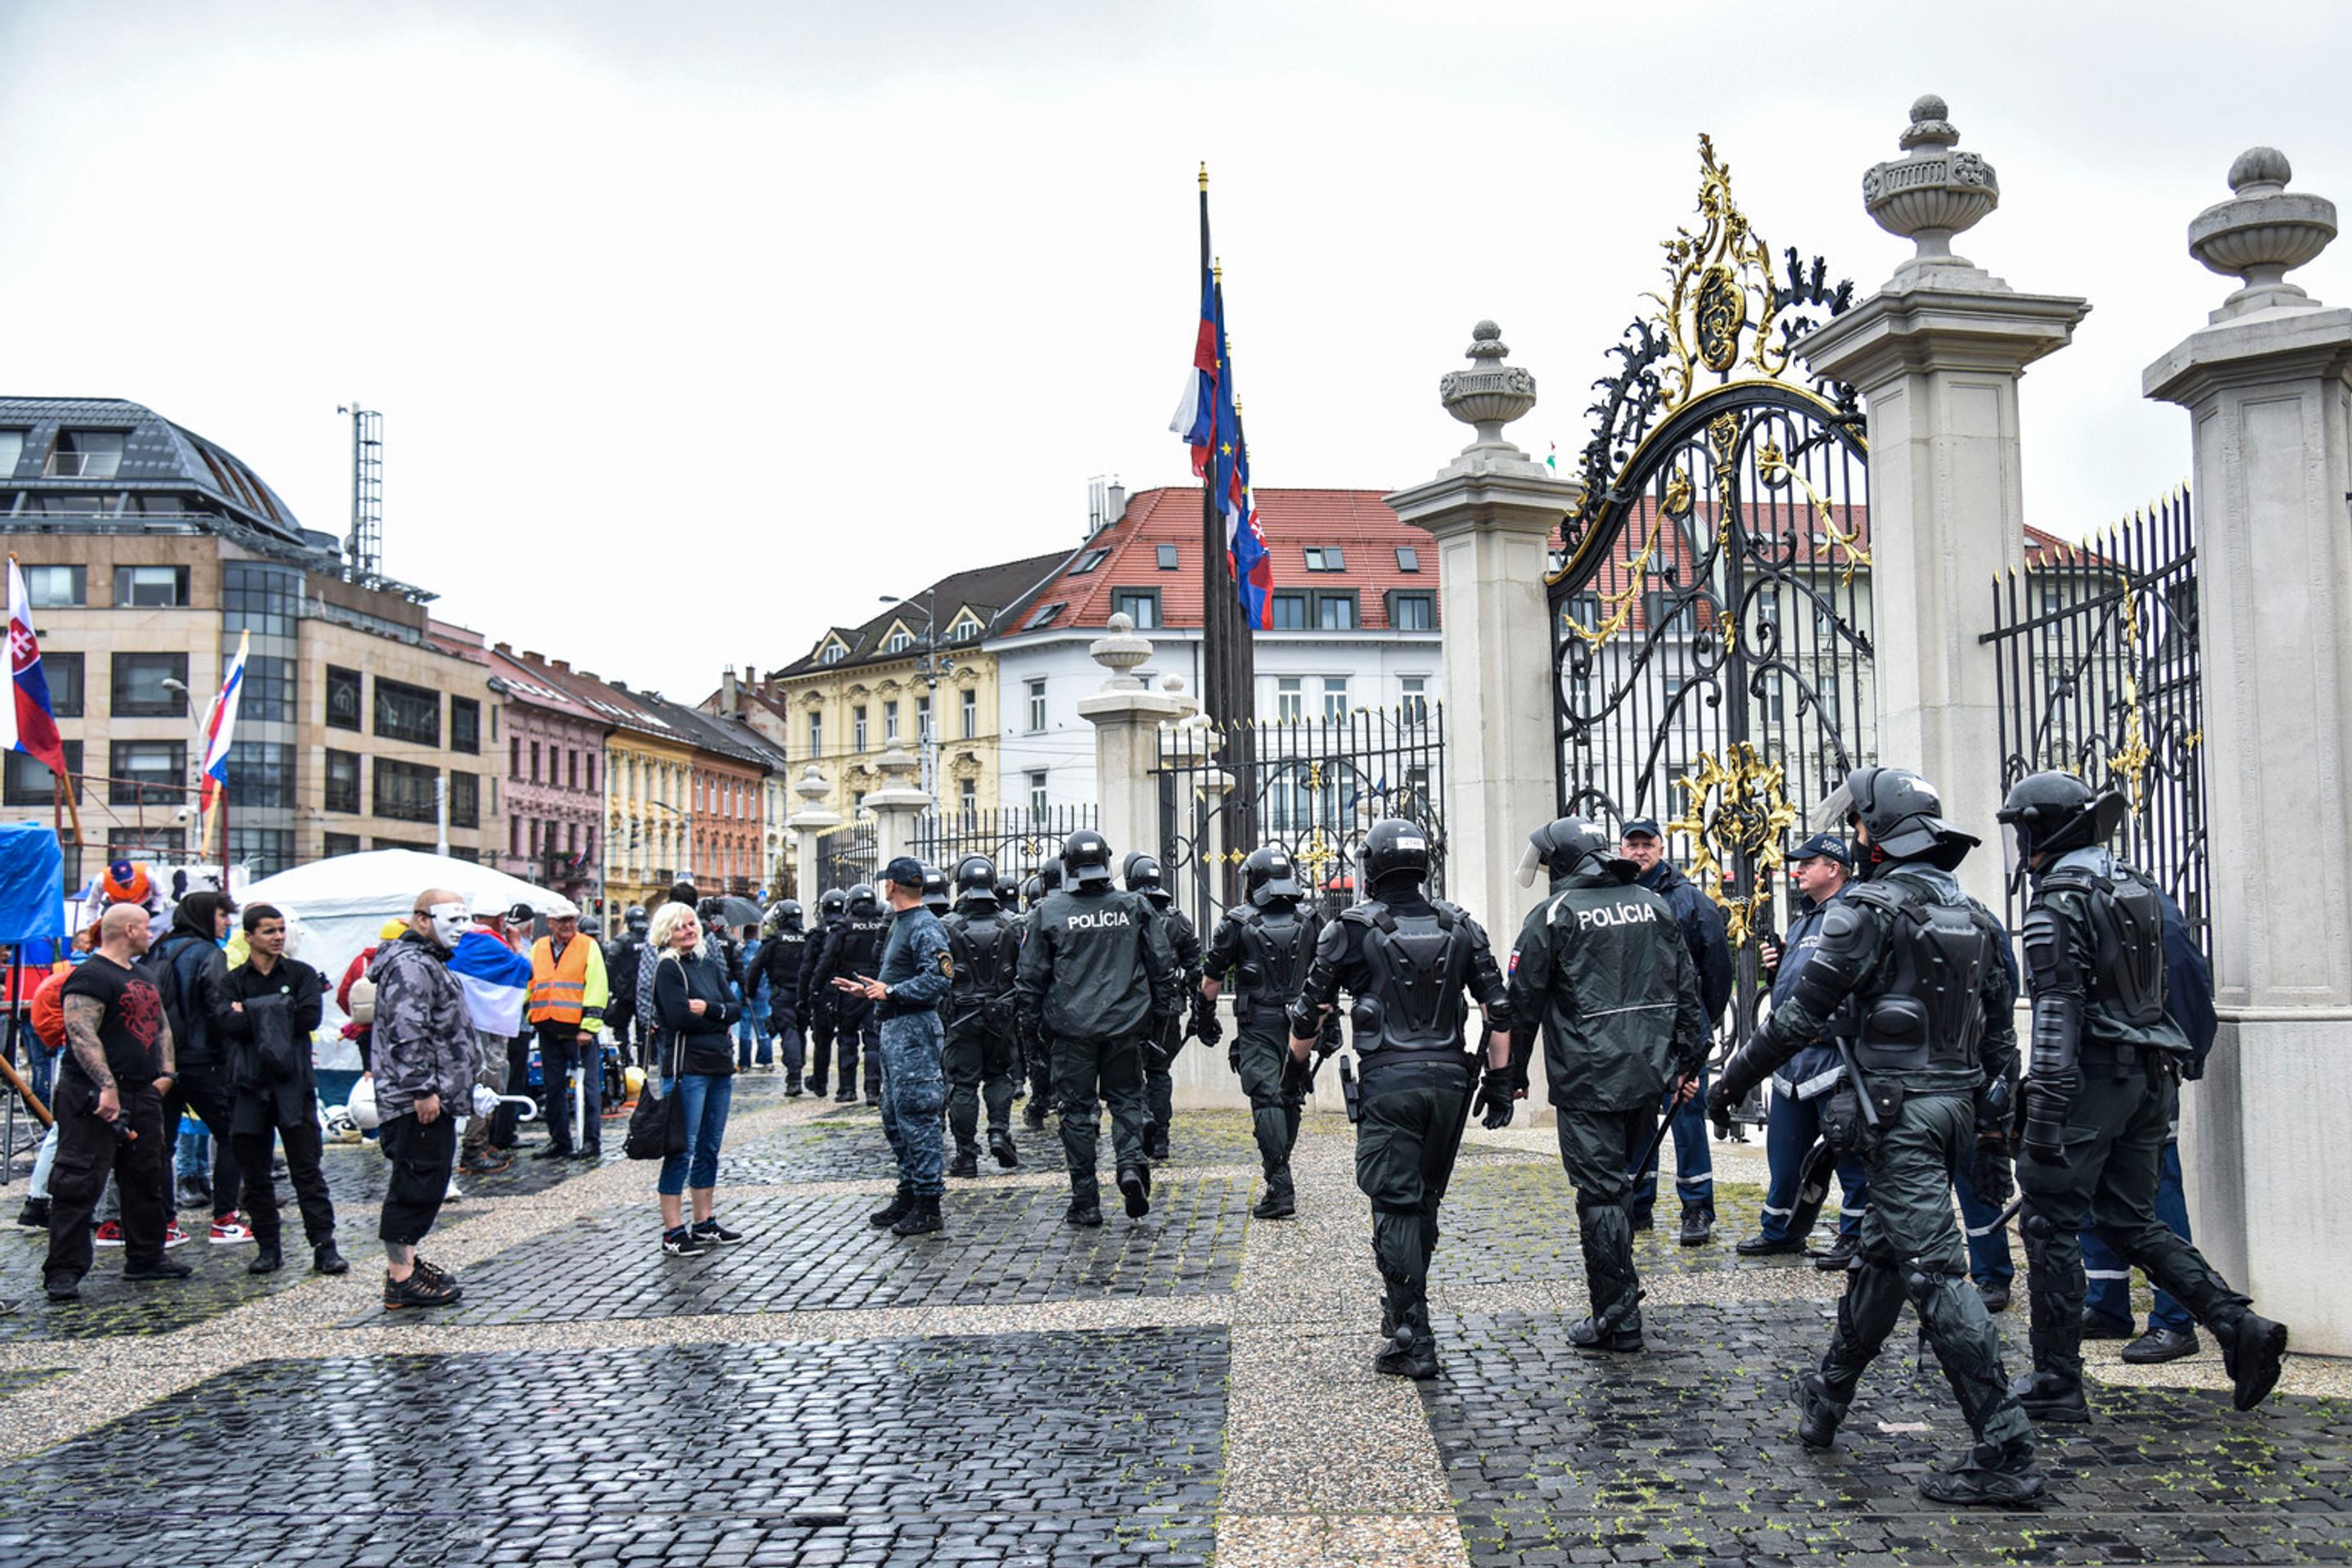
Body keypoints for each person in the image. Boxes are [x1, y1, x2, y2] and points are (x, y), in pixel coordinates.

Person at [1708, 766, 2040, 1505]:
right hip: (1947, 1111)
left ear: (1874, 833)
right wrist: (1992, 1135)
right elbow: (1999, 1047)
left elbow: (1796, 1017)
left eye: (1858, 824)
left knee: (1935, 1274)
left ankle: (2007, 1447)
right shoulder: (1978, 916)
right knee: (1884, 1259)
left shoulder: (1864, 912)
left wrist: (1733, 1079)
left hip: (1898, 1118)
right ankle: (1826, 1394)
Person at [1998, 771, 2287, 1420]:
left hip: (2093, 1079)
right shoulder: (2139, 887)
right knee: (2132, 1222)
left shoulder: (2059, 900)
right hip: (2150, 1078)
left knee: (2049, 1222)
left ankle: (2056, 1381)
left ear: (2044, 827)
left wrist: (2042, 1113)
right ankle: (2238, 1324)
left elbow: (2057, 1014)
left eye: (2024, 826)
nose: (2023, 840)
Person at [1291, 818, 1511, 1378]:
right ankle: (1402, 1310)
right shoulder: (1461, 924)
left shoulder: (1349, 928)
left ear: (1372, 868)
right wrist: (1502, 1081)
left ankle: (1413, 1333)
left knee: (1395, 1202)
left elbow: (1310, 1011)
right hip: (1451, 1082)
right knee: (1424, 1200)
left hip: (1390, 1082)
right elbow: (1498, 1011)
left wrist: (1295, 1069)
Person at [1503, 818, 1708, 1352]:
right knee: (1617, 1190)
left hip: (1588, 1079)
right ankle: (1619, 1304)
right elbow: (1688, 990)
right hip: (1647, 1074)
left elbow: (1520, 1006)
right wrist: (1690, 1062)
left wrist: (1511, 1076)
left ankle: (1618, 1319)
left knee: (1600, 1197)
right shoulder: (1652, 903)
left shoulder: (1553, 915)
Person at [1014, 831, 1174, 1227]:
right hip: (1125, 1025)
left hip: (1072, 1030)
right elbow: (1161, 965)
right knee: (1125, 1100)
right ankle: (1131, 1166)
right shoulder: (1134, 905)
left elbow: (1030, 977)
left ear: (1067, 865)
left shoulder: (1047, 912)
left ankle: (1086, 1201)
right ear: (1105, 861)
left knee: (1078, 1112)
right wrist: (1159, 1020)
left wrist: (1029, 1029)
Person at [2082, 891, 2216, 1363]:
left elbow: (2184, 975)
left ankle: (2175, 1319)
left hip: (2143, 1072)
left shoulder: (2142, 902)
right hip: (2091, 1073)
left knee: (2157, 1193)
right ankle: (2106, 1305)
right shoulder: (2075, 895)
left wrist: (2186, 1052)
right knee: (2090, 1190)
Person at [43, 903, 192, 1301]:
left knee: (147, 1175)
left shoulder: (142, 974)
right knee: (78, 1180)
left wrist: (165, 1075)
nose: (150, 934)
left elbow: (160, 1026)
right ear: (128, 930)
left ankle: (147, 1258)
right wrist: (106, 1086)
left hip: (141, 1091)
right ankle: (64, 1271)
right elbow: (82, 1035)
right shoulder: (90, 975)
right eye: (145, 928)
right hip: (91, 1093)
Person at [1740, 834, 1871, 1267]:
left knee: (1848, 1155)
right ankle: (1780, 1231)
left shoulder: (1855, 914)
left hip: (1836, 1060)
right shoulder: (1804, 921)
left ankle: (1854, 1239)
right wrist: (1777, 966)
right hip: (1792, 1060)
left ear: (1833, 868)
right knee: (1784, 1154)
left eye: (1807, 864)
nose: (1797, 870)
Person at [1619, 817, 1732, 1245]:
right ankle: (1639, 1203)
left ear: (1661, 849)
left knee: (1686, 1117)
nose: (1640, 852)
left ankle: (1697, 1208)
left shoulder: (1690, 901)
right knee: (1638, 1118)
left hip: (1682, 1030)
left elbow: (1717, 968)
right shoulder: (1616, 897)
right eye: (1633, 845)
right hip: (1635, 1032)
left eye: (1647, 845)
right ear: (1622, 850)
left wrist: (1703, 1021)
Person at [216, 903, 346, 1276]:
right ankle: (268, 1247)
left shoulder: (301, 974)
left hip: (293, 1084)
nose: (277, 937)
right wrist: (277, 1009)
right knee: (255, 1175)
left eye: (280, 930)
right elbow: (226, 1022)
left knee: (307, 1170)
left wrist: (252, 1012)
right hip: (248, 1086)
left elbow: (308, 1017)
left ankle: (325, 1246)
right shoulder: (233, 980)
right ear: (249, 936)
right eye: (269, 931)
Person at [369, 889, 477, 1309]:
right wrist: (423, 1089)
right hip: (414, 1100)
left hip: (432, 1094)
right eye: (453, 919)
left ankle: (407, 1264)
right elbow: (406, 1030)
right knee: (415, 1182)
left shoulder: (427, 963)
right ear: (422, 920)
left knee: (426, 1181)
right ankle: (401, 1276)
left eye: (465, 918)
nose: (462, 929)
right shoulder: (412, 966)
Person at [1201, 847, 1316, 1219]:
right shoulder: (1311, 919)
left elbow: (1212, 979)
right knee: (1290, 1096)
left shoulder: (1236, 923)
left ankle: (1280, 1184)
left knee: (1267, 1099)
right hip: (1301, 1023)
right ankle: (1279, 1174)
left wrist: (1204, 1016)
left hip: (1260, 1024)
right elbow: (1328, 975)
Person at [844, 858, 956, 1236]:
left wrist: (892, 990)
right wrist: (872, 990)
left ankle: (928, 1203)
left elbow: (940, 979)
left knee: (918, 1115)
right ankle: (909, 1192)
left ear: (891, 885)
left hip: (914, 1031)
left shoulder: (925, 926)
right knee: (894, 1116)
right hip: (894, 1027)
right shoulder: (899, 923)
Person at [145, 889, 250, 1246]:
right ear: (206, 916)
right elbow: (217, 1009)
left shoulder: (155, 949)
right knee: (233, 1134)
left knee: (162, 1144)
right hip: (200, 1061)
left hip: (159, 1063)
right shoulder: (209, 954)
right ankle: (225, 1218)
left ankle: (164, 1224)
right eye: (222, 915)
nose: (227, 922)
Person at [649, 899, 744, 1256]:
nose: (688, 930)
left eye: (691, 924)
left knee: (709, 1147)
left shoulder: (706, 962)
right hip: (687, 1067)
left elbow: (734, 1007)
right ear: (666, 933)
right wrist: (716, 1015)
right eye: (679, 926)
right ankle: (673, 1230)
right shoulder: (668, 969)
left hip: (718, 1064)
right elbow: (678, 1018)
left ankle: (703, 1222)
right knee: (681, 1148)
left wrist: (711, 1010)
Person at [939, 857, 1022, 1176]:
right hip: (1001, 1014)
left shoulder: (946, 926)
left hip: (962, 1015)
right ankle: (999, 1131)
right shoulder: (1013, 924)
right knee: (999, 1075)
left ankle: (967, 1154)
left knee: (963, 1083)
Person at [1123, 853, 1203, 1163]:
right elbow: (1196, 971)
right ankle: (1161, 1139)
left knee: (1131, 1074)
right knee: (1160, 1072)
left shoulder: (1125, 915)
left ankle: (1144, 1123)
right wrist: (1198, 1010)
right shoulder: (1179, 920)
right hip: (1168, 1009)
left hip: (1131, 1010)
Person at [528, 900, 610, 1161]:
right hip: (548, 1026)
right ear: (550, 923)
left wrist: (590, 1027)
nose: (569, 925)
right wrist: (528, 1012)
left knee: (588, 1088)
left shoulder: (588, 946)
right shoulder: (539, 947)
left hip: (579, 1031)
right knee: (553, 1088)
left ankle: (590, 1141)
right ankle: (560, 1140)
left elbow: (597, 986)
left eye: (572, 920)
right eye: (562, 920)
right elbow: (531, 982)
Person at [815, 884, 889, 1105]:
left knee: (847, 1039)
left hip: (848, 990)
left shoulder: (843, 928)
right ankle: (873, 1089)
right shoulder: (882, 926)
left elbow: (826, 961)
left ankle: (847, 1089)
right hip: (875, 988)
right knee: (873, 1041)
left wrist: (816, 989)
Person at [1015, 863, 1062, 1130]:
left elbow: (1028, 967)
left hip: (1045, 999)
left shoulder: (1037, 915)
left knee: (1039, 1055)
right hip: (1074, 1000)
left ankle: (1040, 1104)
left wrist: (1027, 1011)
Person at [746, 900, 811, 1094]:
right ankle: (797, 1070)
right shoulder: (807, 939)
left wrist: (749, 992)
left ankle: (794, 1079)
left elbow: (755, 968)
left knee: (789, 1032)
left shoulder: (774, 942)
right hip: (804, 994)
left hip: (782, 994)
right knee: (799, 1031)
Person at [797, 888, 849, 1096]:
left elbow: (807, 969)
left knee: (822, 1040)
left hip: (824, 990)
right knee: (847, 1038)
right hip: (846, 988)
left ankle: (820, 1083)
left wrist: (805, 996)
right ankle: (847, 1086)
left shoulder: (817, 936)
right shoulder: (847, 930)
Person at [605, 904, 650, 1068]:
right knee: (644, 1031)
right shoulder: (652, 942)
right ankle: (643, 1064)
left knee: (620, 1028)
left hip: (624, 994)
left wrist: (612, 987)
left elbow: (610, 964)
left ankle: (625, 1061)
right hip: (645, 994)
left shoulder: (622, 941)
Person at [735, 922, 768, 1068]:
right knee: (763, 1028)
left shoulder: (741, 952)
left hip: (746, 993)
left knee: (745, 1029)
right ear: (756, 935)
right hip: (763, 994)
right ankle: (766, 1060)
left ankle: (744, 1062)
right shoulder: (764, 950)